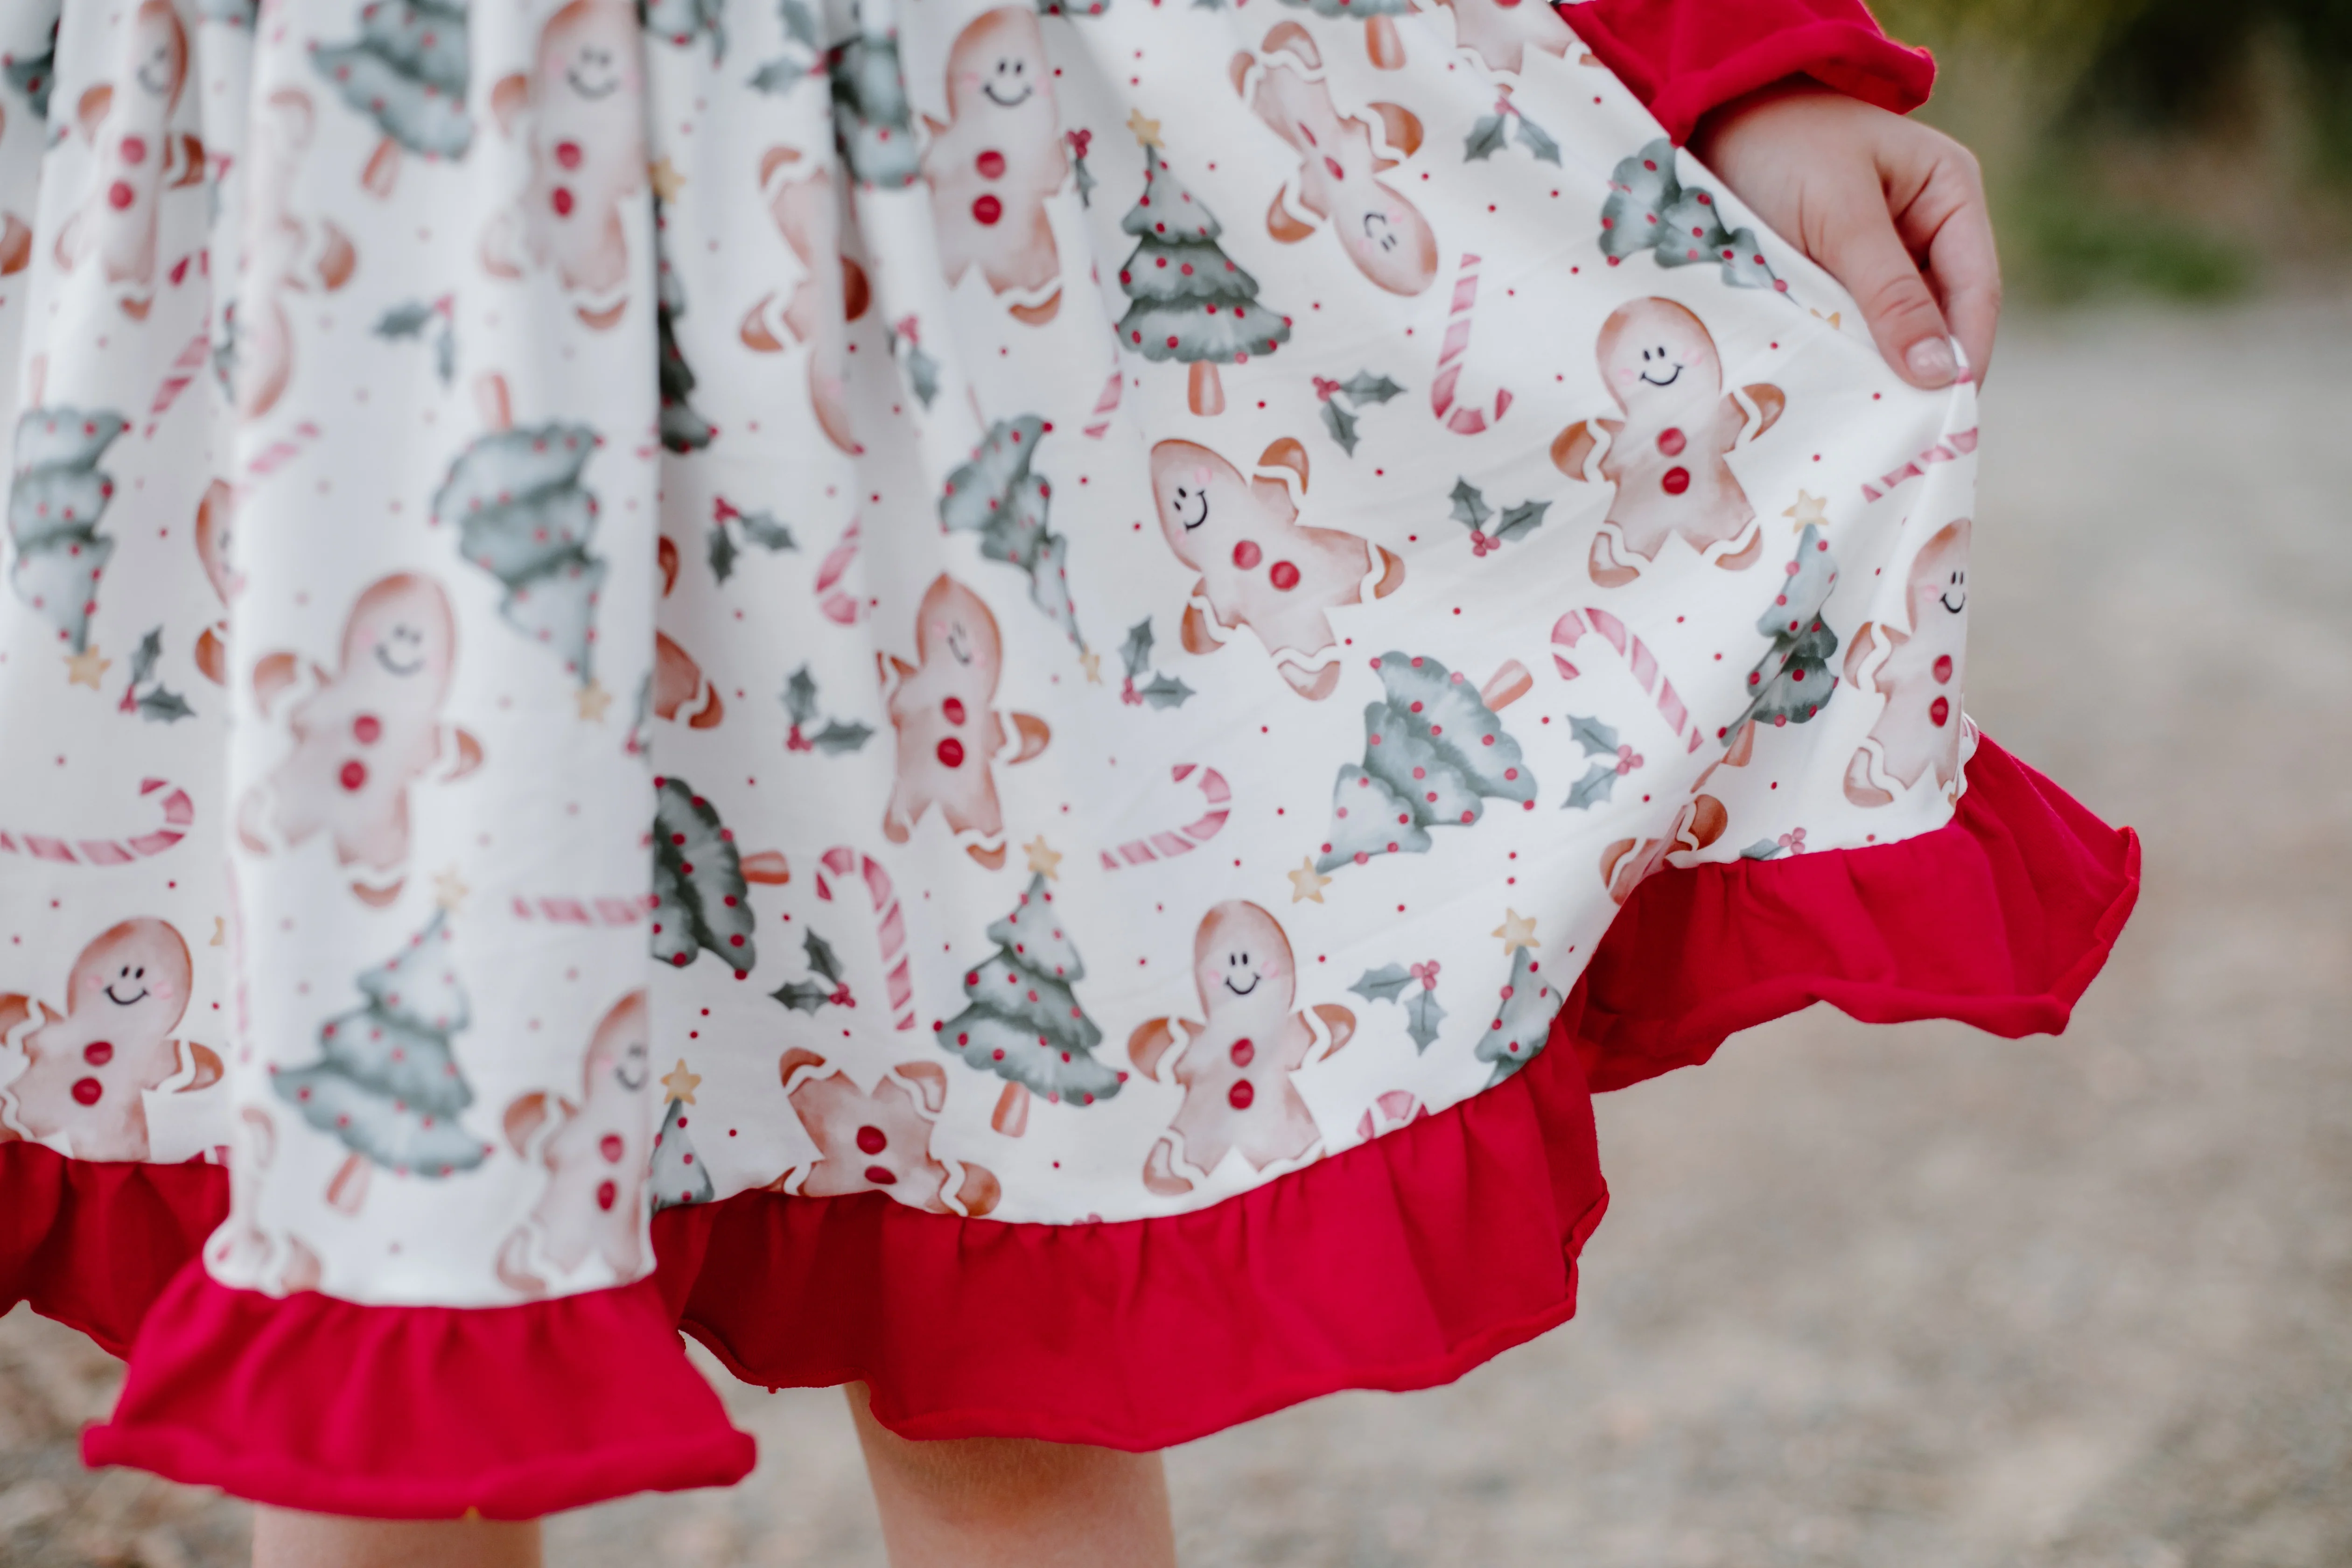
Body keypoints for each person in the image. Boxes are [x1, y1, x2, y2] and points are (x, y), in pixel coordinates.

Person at [0, 0, 2135, 1564]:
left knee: (998, 1181)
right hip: (346, 210)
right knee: (403, 1237)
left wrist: (1723, 48)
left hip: (920, 202)